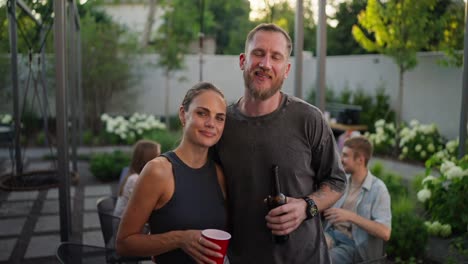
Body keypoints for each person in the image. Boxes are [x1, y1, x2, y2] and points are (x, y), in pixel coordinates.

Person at [214, 23, 347, 264]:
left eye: (275, 57)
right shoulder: (222, 123)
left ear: (286, 70)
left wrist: (307, 207)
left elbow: (337, 181)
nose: (265, 64)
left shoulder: (308, 118)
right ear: (243, 60)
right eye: (258, 53)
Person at [116, 82, 228, 264]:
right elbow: (124, 243)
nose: (211, 124)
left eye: (219, 118)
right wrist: (179, 239)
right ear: (183, 115)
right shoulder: (159, 171)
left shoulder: (219, 174)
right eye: (202, 113)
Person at [323, 136, 391, 263]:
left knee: (324, 260)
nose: (341, 160)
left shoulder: (378, 189)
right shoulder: (342, 181)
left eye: (345, 156)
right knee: (303, 252)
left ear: (360, 160)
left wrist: (351, 216)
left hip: (352, 245)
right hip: (329, 234)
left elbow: (385, 232)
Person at [113, 139, 161, 217]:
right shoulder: (134, 179)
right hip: (126, 226)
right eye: (158, 155)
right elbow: (148, 207)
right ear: (149, 158)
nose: (161, 159)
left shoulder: (136, 174)